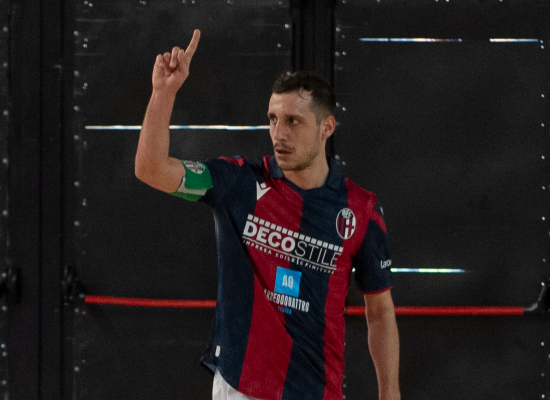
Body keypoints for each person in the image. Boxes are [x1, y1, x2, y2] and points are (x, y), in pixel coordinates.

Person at [135, 29, 400, 400]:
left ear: (326, 127)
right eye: (273, 119)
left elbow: (380, 311)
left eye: (293, 121)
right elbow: (150, 169)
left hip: (317, 392)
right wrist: (164, 93)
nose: (278, 133)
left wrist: (390, 393)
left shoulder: (361, 211)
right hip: (239, 388)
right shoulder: (237, 182)